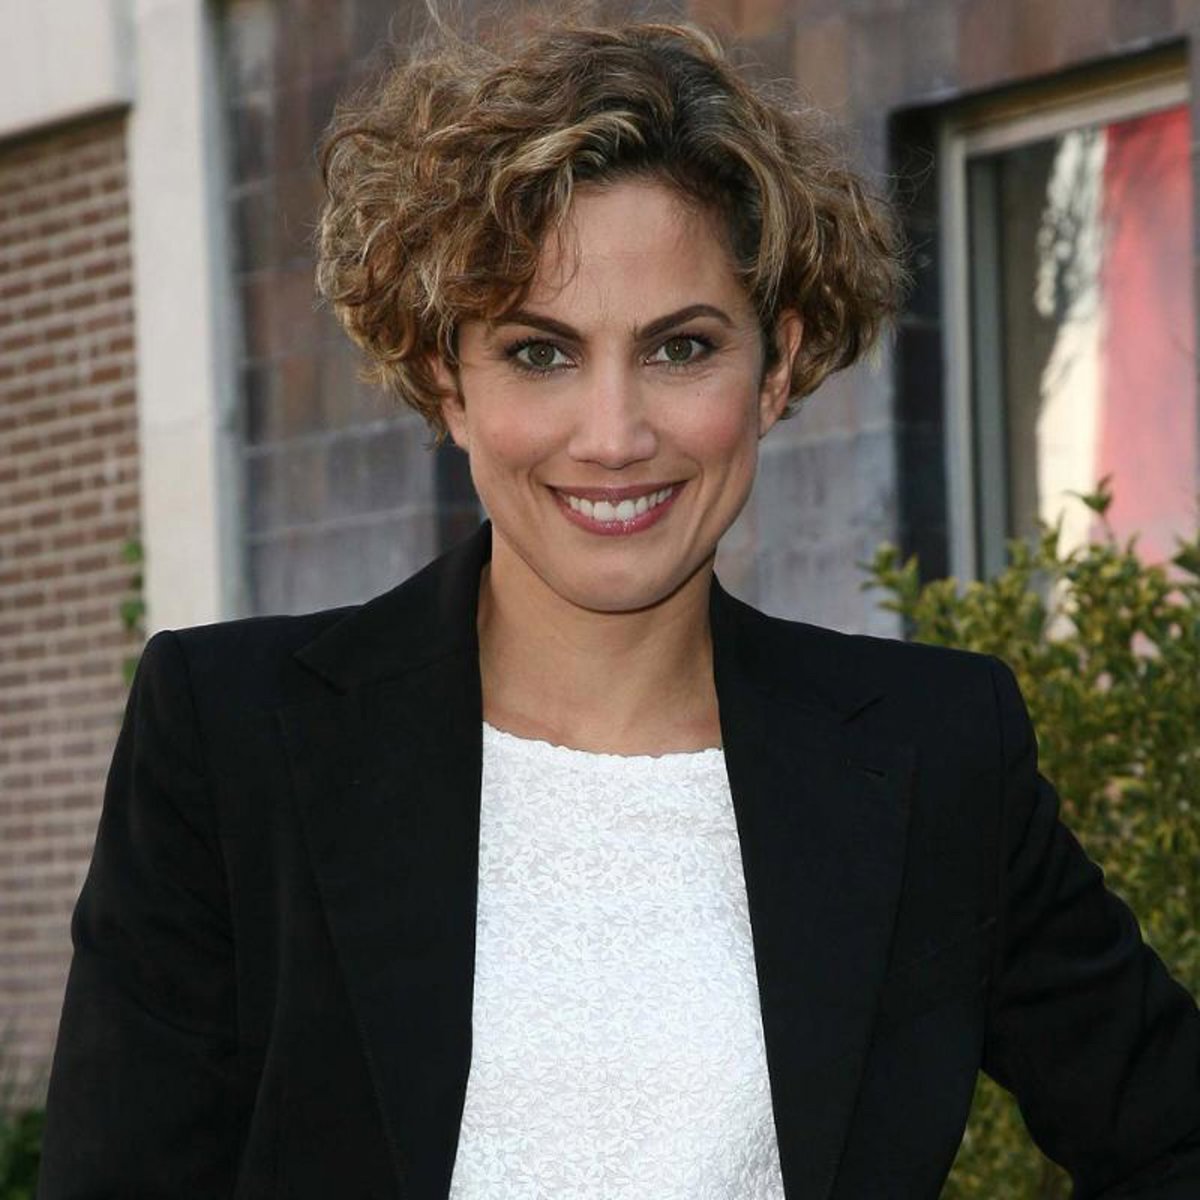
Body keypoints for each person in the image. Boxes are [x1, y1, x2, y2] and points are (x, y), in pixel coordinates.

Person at [37, 14, 1200, 1200]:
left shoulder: (933, 756)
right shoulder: (232, 738)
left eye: (680, 348)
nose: (613, 436)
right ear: (447, 378)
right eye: (540, 353)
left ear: (777, 367)